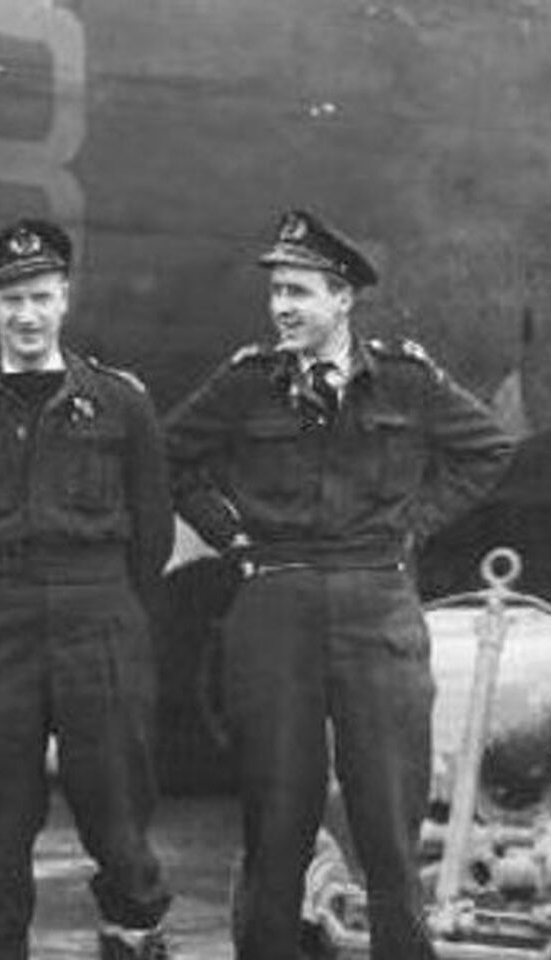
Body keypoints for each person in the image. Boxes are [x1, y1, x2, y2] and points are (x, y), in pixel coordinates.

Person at [165, 210, 514, 960]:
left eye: (299, 292)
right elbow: (169, 457)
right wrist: (231, 537)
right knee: (276, 818)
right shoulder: (247, 384)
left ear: (344, 298)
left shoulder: (407, 381)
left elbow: (486, 448)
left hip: (375, 602)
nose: (282, 307)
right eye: (276, 292)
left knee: (388, 820)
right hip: (275, 601)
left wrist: (414, 526)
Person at [0, 220, 174, 960]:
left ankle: (133, 937)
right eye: (11, 301)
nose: (26, 315)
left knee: (118, 809)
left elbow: (153, 534)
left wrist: (103, 601)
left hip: (100, 616)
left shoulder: (122, 404)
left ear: (65, 298)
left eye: (40, 297)